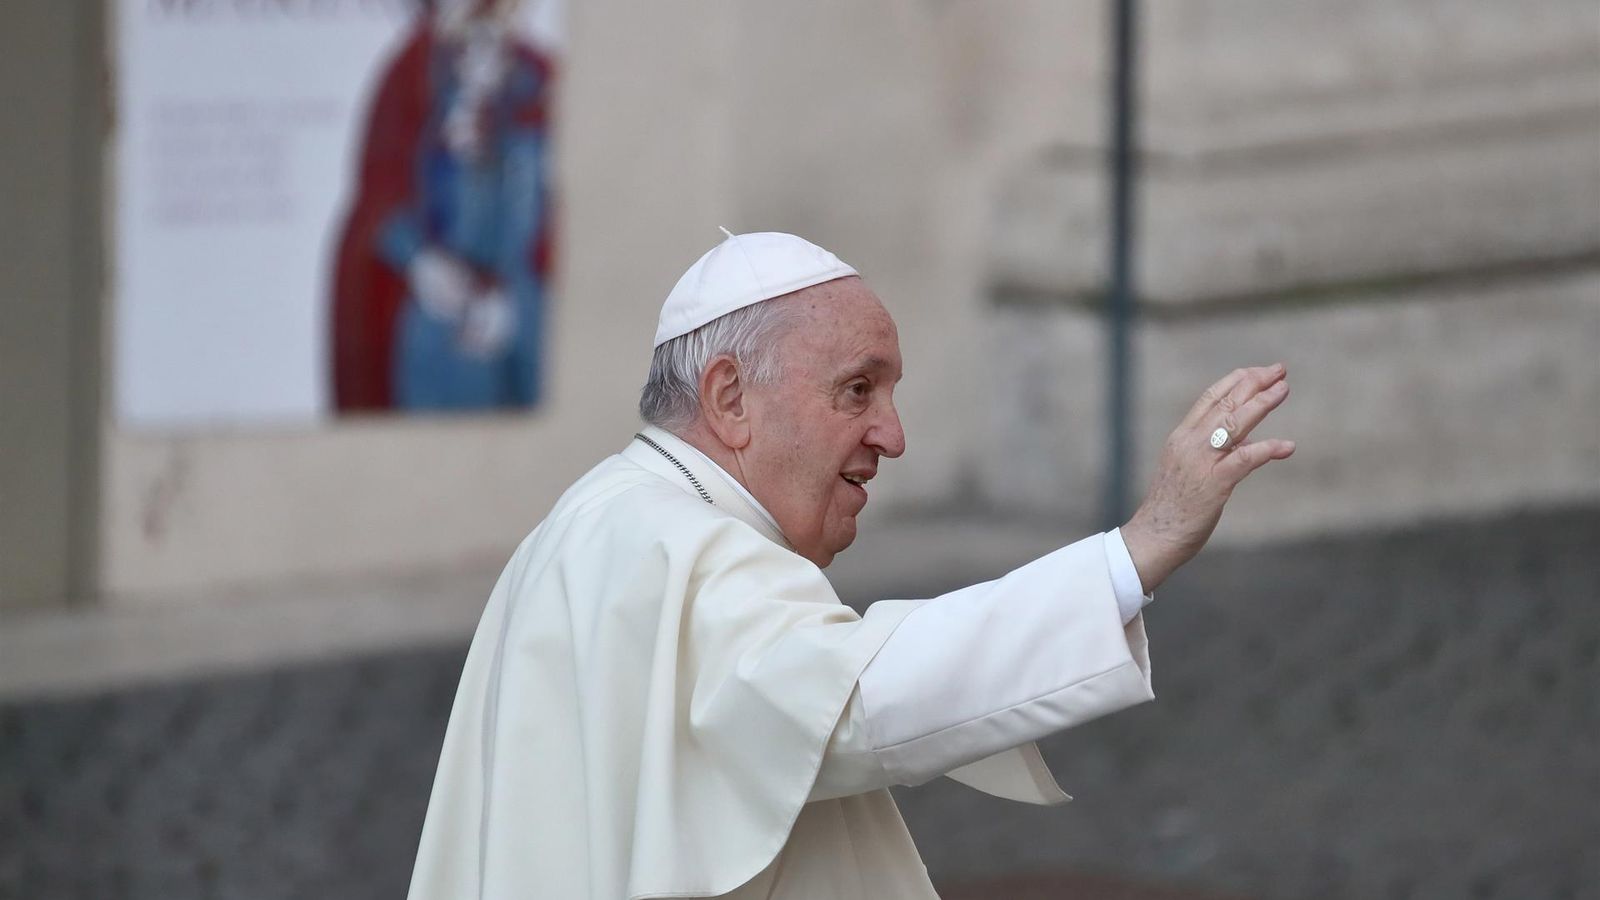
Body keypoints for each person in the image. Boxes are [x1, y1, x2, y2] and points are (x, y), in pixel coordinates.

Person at [406, 232, 1296, 899]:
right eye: (857, 389)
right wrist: (1142, 546)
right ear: (729, 398)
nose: (893, 435)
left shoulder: (600, 521)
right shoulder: (680, 547)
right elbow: (862, 700)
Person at [330, 0, 554, 412]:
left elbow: (553, 218)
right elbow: (379, 195)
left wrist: (513, 301)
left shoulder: (539, 80)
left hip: (518, 320)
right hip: (436, 322)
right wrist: (419, 261)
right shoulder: (410, 77)